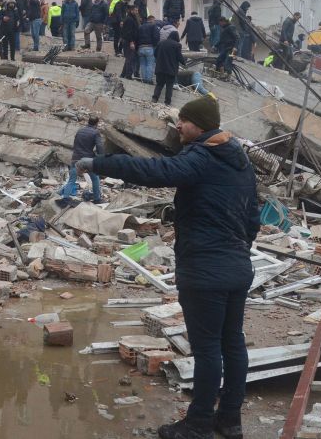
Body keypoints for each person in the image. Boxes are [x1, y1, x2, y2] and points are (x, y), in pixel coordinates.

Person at [77, 96, 257, 439]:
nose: (178, 125)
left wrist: (99, 164)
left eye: (184, 121)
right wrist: (239, 250)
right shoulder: (239, 161)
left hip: (206, 267)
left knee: (207, 349)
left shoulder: (202, 155)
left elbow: (156, 172)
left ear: (200, 125)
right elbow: (252, 216)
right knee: (232, 344)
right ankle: (229, 421)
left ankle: (199, 424)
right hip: (236, 265)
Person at [62, 116, 104, 202]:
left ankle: (65, 198)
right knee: (95, 178)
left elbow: (75, 144)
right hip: (88, 160)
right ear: (97, 123)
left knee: (72, 179)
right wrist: (101, 157)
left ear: (88, 121)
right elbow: (99, 147)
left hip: (76, 158)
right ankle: (97, 199)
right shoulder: (96, 133)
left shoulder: (80, 131)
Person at [153, 32, 186, 106]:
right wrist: (184, 62)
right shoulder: (177, 45)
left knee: (159, 84)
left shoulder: (161, 43)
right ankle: (167, 102)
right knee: (169, 86)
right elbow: (179, 57)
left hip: (160, 68)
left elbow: (155, 54)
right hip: (171, 70)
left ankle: (154, 99)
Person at [137, 14, 161, 83]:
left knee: (143, 64)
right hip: (149, 47)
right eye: (154, 20)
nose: (155, 22)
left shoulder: (140, 27)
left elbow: (137, 37)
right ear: (151, 20)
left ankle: (144, 79)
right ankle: (149, 80)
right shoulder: (153, 26)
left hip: (140, 48)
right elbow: (156, 37)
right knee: (150, 64)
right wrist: (155, 45)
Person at [120, 5, 141, 80]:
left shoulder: (132, 19)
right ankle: (128, 75)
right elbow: (129, 32)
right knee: (130, 58)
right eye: (135, 10)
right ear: (132, 11)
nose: (137, 12)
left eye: (137, 10)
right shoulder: (129, 19)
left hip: (129, 41)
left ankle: (123, 74)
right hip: (129, 41)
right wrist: (131, 42)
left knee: (128, 58)